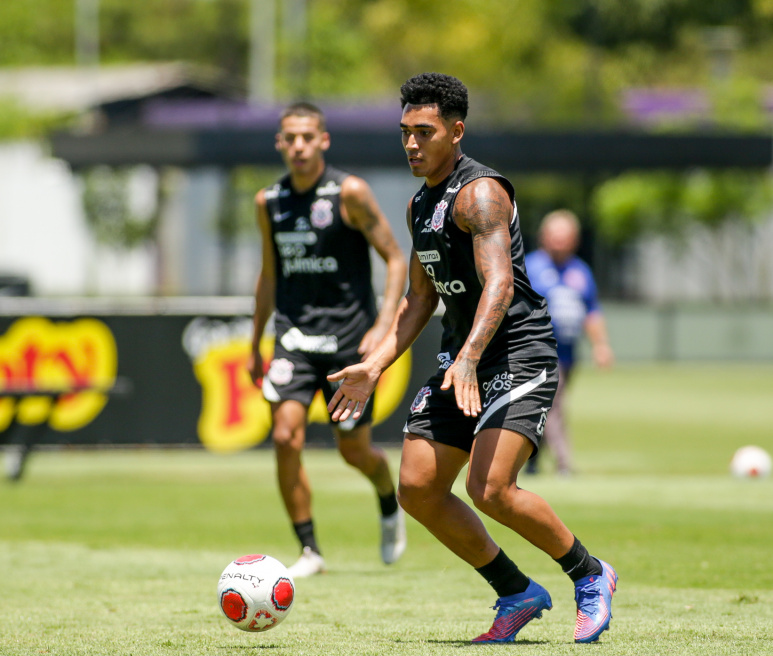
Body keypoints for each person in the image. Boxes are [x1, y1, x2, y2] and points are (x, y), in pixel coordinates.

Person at [326, 73, 617, 643]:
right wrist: (375, 364)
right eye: (405, 132)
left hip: (517, 351)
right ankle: (515, 591)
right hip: (462, 359)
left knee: (491, 489)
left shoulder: (480, 192)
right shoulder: (420, 205)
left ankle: (590, 575)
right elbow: (418, 298)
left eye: (424, 132)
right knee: (417, 488)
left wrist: (467, 357)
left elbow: (500, 285)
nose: (411, 144)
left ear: (456, 131)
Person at [248, 102, 409, 578]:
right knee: (284, 436)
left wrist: (382, 326)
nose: (298, 146)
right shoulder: (268, 202)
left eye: (307, 137)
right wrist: (254, 341)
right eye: (289, 138)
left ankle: (387, 499)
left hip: (347, 346)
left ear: (323, 141)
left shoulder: (350, 192)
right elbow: (269, 275)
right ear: (279, 143)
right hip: (293, 340)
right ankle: (309, 551)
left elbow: (396, 258)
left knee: (353, 452)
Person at [524, 210, 615, 476]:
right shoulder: (530, 266)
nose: (560, 242)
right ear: (544, 237)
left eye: (566, 237)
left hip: (568, 354)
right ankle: (564, 464)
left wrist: (601, 345)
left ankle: (531, 459)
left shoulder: (580, 271)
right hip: (537, 351)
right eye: (555, 236)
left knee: (544, 405)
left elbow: (592, 311)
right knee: (554, 405)